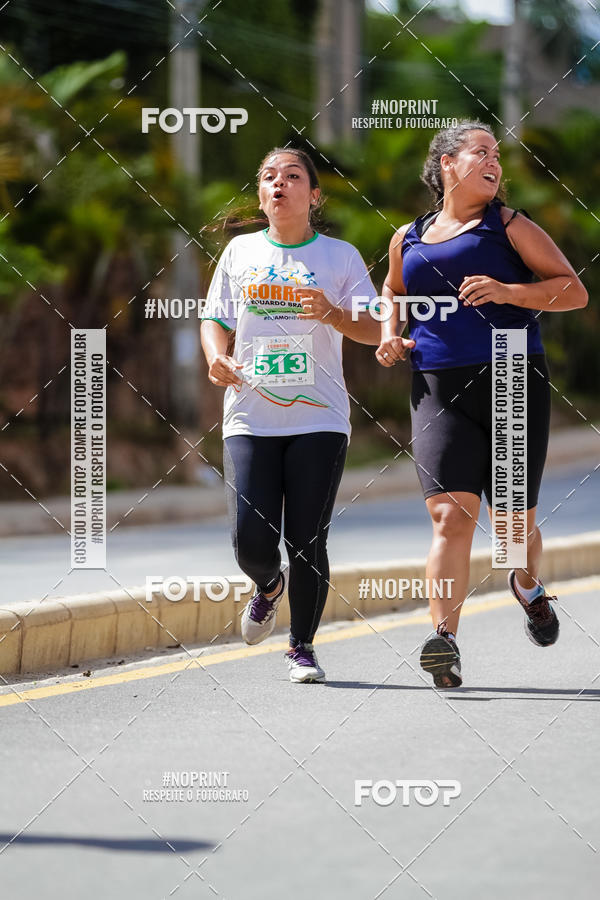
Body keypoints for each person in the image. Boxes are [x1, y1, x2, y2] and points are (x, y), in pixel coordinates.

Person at [376, 120, 588, 688]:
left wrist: (509, 292)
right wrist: (389, 332)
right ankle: (444, 641)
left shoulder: (510, 226)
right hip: (437, 383)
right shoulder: (409, 237)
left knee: (512, 527)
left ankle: (526, 585)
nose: (495, 162)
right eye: (482, 152)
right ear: (447, 163)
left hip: (512, 373)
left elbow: (572, 289)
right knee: (449, 516)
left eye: (497, 154)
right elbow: (393, 290)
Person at [200, 147, 380, 683]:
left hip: (320, 417)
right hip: (250, 415)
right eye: (269, 177)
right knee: (250, 540)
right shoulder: (239, 252)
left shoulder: (341, 257)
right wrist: (216, 357)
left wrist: (334, 313)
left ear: (314, 195)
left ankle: (302, 646)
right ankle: (267, 585)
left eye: (293, 176)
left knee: (308, 537)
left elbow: (375, 329)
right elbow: (215, 319)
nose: (280, 184)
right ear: (261, 194)